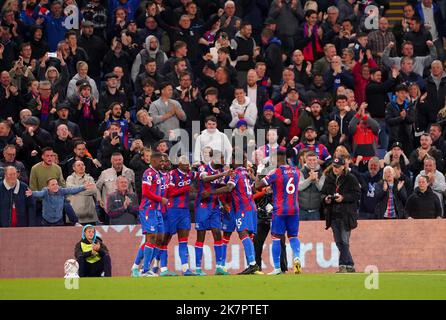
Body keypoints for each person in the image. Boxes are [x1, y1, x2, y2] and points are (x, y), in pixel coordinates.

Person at [202, 152, 261, 275]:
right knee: (236, 235)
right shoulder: (246, 172)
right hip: (243, 207)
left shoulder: (236, 173)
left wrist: (210, 192)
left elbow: (228, 188)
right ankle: (223, 266)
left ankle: (252, 264)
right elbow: (253, 188)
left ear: (234, 160)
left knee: (243, 234)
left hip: (241, 208)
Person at [255, 150, 302, 275]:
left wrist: (260, 170)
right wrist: (273, 188)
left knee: (276, 237)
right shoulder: (296, 171)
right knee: (293, 236)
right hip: (294, 208)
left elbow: (257, 185)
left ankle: (277, 268)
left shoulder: (276, 172)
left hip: (280, 209)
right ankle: (297, 257)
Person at [193, 150, 232, 276]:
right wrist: (224, 173)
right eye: (220, 158)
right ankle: (198, 268)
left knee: (217, 234)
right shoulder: (203, 167)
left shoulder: (221, 171)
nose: (222, 161)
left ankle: (220, 266)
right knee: (201, 236)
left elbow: (224, 186)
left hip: (215, 206)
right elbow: (204, 179)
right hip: (202, 206)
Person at [321, 157, 361, 273]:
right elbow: (323, 193)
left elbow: (357, 195)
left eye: (337, 167)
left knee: (344, 241)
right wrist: (326, 199)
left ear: (343, 167)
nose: (335, 169)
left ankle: (343, 265)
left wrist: (343, 198)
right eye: (334, 166)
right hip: (333, 215)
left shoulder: (351, 178)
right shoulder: (329, 178)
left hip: (346, 215)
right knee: (339, 242)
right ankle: (350, 265)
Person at [133, 152, 169, 277]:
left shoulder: (158, 174)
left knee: (159, 238)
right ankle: (144, 269)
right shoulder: (148, 173)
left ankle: (141, 267)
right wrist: (161, 199)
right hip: (148, 209)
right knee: (151, 238)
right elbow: (146, 192)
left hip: (157, 210)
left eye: (164, 161)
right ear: (153, 161)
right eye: (161, 161)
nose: (163, 163)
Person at [26, 178, 95, 226]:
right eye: (53, 185)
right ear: (48, 187)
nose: (55, 186)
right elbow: (39, 193)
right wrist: (32, 193)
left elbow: (72, 190)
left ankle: (75, 222)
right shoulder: (45, 192)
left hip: (59, 220)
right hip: (46, 221)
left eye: (56, 184)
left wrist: (83, 187)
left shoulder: (61, 191)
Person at [96, 152, 135, 219]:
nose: (118, 162)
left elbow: (135, 187)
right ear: (112, 161)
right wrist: (99, 199)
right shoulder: (105, 173)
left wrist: (133, 201)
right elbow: (97, 187)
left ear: (123, 160)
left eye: (120, 160)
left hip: (128, 208)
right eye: (116, 160)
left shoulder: (130, 172)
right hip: (110, 208)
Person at [66, 160, 98, 225]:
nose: (81, 167)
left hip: (89, 215)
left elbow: (93, 190)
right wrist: (84, 188)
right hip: (74, 214)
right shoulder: (70, 178)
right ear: (74, 168)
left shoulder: (90, 178)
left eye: (82, 165)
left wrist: (76, 191)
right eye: (78, 165)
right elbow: (70, 189)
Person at [298, 151, 325, 221]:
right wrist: (310, 179)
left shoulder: (322, 173)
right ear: (306, 160)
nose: (312, 162)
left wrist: (316, 180)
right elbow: (299, 187)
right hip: (301, 211)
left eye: (314, 160)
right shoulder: (300, 172)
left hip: (315, 212)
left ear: (317, 160)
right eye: (309, 160)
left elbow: (322, 188)